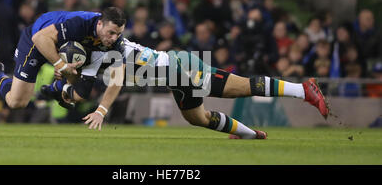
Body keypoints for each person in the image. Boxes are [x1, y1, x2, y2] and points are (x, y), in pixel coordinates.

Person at [48, 38, 330, 140]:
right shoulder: (88, 63)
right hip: (174, 77)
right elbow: (78, 92)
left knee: (241, 87)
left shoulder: (104, 54)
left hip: (181, 67)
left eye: (68, 60)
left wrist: (93, 106)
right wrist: (60, 92)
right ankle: (249, 135)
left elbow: (104, 85)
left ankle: (304, 90)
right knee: (198, 118)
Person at [0, 7, 127, 110]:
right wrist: (61, 64)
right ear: (99, 24)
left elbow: (118, 77)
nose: (114, 38)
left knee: (80, 93)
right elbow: (40, 38)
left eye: (118, 34)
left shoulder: (115, 41)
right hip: (37, 40)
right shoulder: (80, 24)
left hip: (62, 47)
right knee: (16, 102)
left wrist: (101, 111)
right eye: (111, 33)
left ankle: (54, 90)